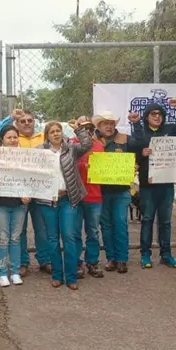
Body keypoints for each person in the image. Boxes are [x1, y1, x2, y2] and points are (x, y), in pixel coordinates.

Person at [129, 98, 176, 269]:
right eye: (153, 114)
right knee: (147, 219)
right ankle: (145, 255)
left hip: (166, 183)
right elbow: (136, 150)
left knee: (165, 221)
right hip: (148, 184)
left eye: (159, 114)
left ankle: (166, 254)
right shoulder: (141, 132)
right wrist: (142, 152)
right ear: (147, 116)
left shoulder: (169, 130)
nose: (157, 116)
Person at [35, 122, 93, 290]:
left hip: (68, 198)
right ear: (47, 135)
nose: (55, 134)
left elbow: (87, 144)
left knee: (68, 236)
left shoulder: (72, 149)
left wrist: (78, 129)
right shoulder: (40, 151)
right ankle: (57, 275)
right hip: (47, 200)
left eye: (58, 131)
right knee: (52, 238)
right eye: (52, 132)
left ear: (62, 132)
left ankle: (71, 276)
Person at [0, 108, 49, 276]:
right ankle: (23, 262)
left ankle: (44, 260)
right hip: (18, 193)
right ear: (16, 124)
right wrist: (10, 117)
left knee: (41, 228)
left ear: (34, 122)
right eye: (22, 121)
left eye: (29, 120)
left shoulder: (42, 137)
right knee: (20, 230)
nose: (26, 123)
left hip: (39, 191)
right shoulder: (12, 139)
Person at [97, 111, 137, 274]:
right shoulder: (93, 142)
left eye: (112, 123)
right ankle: (111, 258)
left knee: (120, 223)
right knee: (105, 226)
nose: (109, 126)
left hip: (121, 190)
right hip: (101, 191)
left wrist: (135, 165)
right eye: (105, 123)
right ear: (98, 126)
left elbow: (140, 148)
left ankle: (122, 259)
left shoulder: (125, 139)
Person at [0, 126, 31, 287]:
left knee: (15, 238)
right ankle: (2, 273)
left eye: (15, 137)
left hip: (20, 204)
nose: (13, 140)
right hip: (0, 203)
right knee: (2, 238)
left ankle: (14, 271)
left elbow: (32, 178)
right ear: (2, 140)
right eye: (9, 137)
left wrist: (29, 194)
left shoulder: (26, 157)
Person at [69, 116, 105, 279]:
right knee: (75, 231)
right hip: (76, 195)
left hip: (94, 195)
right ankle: (77, 262)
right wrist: (83, 165)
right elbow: (65, 164)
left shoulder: (99, 146)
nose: (88, 131)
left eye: (90, 128)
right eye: (84, 128)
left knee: (92, 231)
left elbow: (106, 170)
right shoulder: (70, 144)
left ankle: (92, 261)